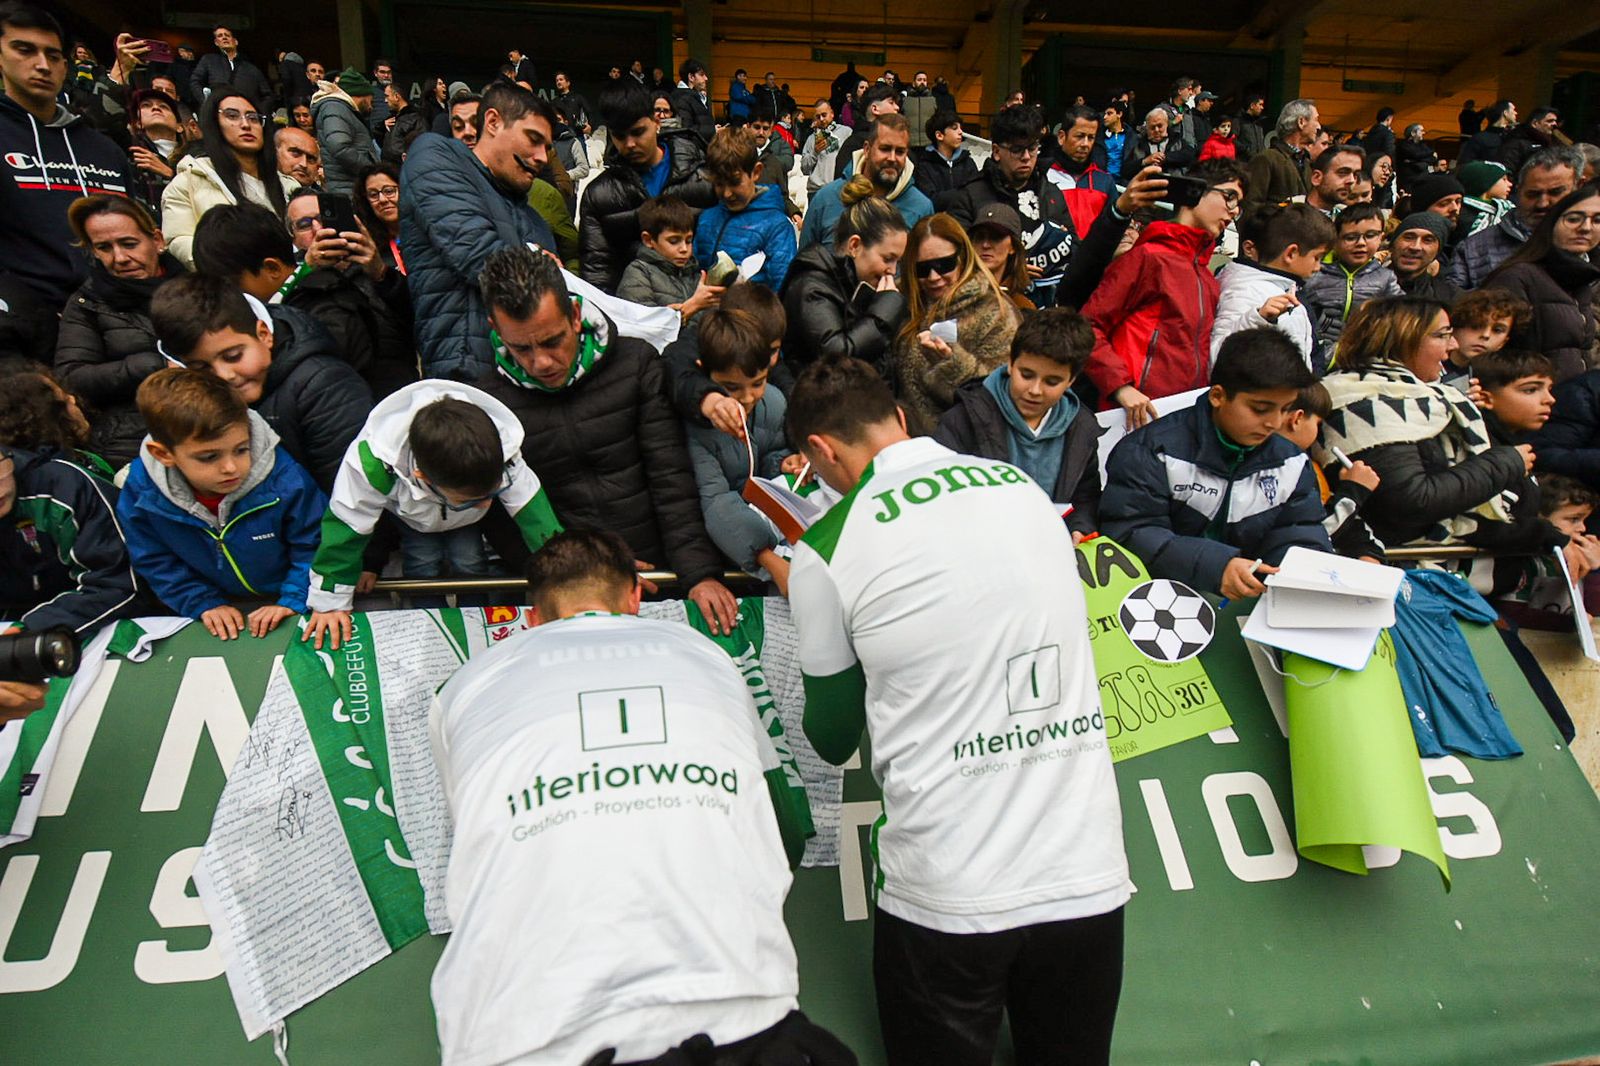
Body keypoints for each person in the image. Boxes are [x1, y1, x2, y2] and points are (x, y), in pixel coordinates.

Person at [786, 356, 1129, 1066]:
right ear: (901, 418)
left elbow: (830, 735)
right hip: (1086, 872)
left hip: (948, 890)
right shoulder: (1024, 489)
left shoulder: (824, 546)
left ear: (821, 450)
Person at [428, 528, 844, 1065]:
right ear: (635, 597)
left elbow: (481, 832)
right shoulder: (708, 657)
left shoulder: (465, 686)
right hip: (737, 1004)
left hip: (523, 1030)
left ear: (531, 619)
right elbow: (783, 816)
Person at [473, 247, 739, 632]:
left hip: (658, 572)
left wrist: (699, 573)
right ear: (497, 332)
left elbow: (670, 476)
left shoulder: (636, 364)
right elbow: (500, 517)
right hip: (564, 591)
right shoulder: (490, 403)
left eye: (552, 341)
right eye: (522, 348)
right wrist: (586, 574)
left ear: (576, 316)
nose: (541, 362)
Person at [301, 382, 562, 647]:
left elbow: (536, 517)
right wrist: (329, 603)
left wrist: (565, 583)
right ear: (422, 476)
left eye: (492, 494)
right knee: (421, 564)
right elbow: (348, 527)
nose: (485, 505)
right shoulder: (372, 463)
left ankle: (477, 622)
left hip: (466, 522)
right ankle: (425, 624)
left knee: (470, 562)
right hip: (413, 518)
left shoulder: (500, 446)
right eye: (473, 499)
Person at [1101, 328, 1330, 597]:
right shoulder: (1151, 450)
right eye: (1259, 409)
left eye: (1284, 409)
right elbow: (1130, 532)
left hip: (1251, 604)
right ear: (1218, 396)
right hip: (1155, 604)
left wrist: (1300, 577)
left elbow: (1300, 532)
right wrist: (1217, 567)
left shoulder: (1291, 462)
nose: (1274, 423)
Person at [1316, 296, 1542, 555]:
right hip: (1405, 563)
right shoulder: (1363, 400)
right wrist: (1504, 463)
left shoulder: (1431, 397)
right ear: (1403, 339)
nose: (1453, 345)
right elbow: (1412, 501)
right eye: (1442, 335)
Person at [118, 367, 323, 639]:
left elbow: (316, 542)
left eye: (241, 449)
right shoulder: (142, 493)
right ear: (163, 454)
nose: (231, 467)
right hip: (216, 607)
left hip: (293, 597)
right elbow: (155, 560)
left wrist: (294, 598)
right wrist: (201, 602)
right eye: (209, 457)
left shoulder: (284, 479)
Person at [149, 272, 370, 491]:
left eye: (233, 356)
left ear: (264, 334)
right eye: (201, 368)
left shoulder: (325, 387)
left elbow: (352, 492)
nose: (224, 375)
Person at [0, 3, 133, 358]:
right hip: (25, 336)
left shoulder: (106, 151)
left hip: (121, 327)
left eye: (53, 55)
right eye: (24, 50)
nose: (42, 65)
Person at [401, 83, 558, 381]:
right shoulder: (434, 154)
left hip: (528, 374)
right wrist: (546, 269)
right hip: (469, 371)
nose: (542, 158)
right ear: (493, 122)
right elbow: (478, 255)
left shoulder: (532, 217)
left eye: (547, 148)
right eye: (534, 139)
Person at [196, 196, 416, 399]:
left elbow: (422, 319)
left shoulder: (372, 275)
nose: (318, 230)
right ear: (291, 237)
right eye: (304, 224)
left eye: (326, 219)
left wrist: (380, 273)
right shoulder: (289, 295)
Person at [1082, 159, 1247, 424]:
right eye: (1229, 197)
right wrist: (1120, 387)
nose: (1233, 211)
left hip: (1183, 415)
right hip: (1130, 414)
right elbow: (1087, 326)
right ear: (1195, 192)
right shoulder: (1148, 257)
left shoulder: (1207, 277)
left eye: (1238, 205)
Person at [932, 305, 1101, 538]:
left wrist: (1079, 527)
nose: (1035, 390)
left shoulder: (1082, 428)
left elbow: (1085, 497)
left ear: (1071, 380)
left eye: (1052, 382)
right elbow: (942, 498)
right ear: (1011, 363)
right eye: (1027, 375)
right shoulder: (964, 419)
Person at [55, 196, 183, 467]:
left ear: (157, 240)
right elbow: (72, 377)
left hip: (208, 423)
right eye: (104, 247)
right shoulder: (86, 304)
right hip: (129, 441)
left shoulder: (196, 289)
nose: (120, 258)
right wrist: (153, 366)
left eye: (129, 243)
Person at [684, 308, 802, 590]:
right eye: (732, 387)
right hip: (723, 549)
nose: (748, 397)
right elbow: (714, 499)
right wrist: (767, 558)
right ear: (705, 373)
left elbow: (771, 452)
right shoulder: (696, 427)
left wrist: (783, 464)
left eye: (758, 383)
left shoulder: (772, 402)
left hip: (769, 532)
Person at [579, 81, 715, 294]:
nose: (630, 144)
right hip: (635, 312)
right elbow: (598, 272)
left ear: (656, 121)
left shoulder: (705, 176)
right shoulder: (598, 195)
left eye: (638, 132)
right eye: (620, 137)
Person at [893, 213, 1020, 434]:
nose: (933, 276)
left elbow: (1003, 392)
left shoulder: (996, 311)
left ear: (963, 258)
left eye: (944, 265)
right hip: (905, 445)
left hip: (965, 447)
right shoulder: (899, 301)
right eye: (923, 269)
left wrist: (951, 362)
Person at [0, 443, 144, 635]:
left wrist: (29, 630)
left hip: (107, 623)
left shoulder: (62, 487)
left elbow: (118, 585)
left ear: (7, 458)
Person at [781, 185, 908, 379]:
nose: (892, 270)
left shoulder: (865, 286)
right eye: (887, 259)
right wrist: (881, 319)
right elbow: (835, 357)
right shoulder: (811, 285)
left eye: (897, 261)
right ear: (855, 246)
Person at [1480, 183, 1600, 383]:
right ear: (1551, 223)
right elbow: (1487, 351)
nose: (1586, 228)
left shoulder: (1581, 280)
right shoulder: (1516, 277)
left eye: (1597, 220)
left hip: (1577, 407)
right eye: (1573, 219)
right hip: (1530, 404)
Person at [161, 86, 293, 266]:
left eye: (253, 118)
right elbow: (179, 242)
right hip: (227, 286)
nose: (246, 124)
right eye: (232, 116)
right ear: (214, 124)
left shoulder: (288, 186)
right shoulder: (189, 181)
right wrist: (242, 271)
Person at [1211, 202, 1334, 368]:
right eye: (1317, 257)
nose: (1318, 267)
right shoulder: (1245, 290)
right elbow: (1217, 358)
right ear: (1291, 253)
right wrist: (1257, 319)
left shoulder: (1288, 288)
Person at [1447, 147, 1581, 291]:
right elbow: (1454, 301)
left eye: (1555, 192)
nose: (1542, 203)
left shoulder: (1591, 243)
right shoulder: (1473, 249)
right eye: (1532, 194)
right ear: (1519, 191)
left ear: (1579, 187)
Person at [798, 114, 932, 252]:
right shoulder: (827, 199)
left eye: (900, 152)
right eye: (885, 149)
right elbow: (802, 267)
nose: (892, 158)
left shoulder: (920, 208)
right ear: (867, 149)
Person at [1303, 202, 1405, 371]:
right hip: (1317, 357)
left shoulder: (1385, 278)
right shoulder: (1315, 274)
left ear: (1381, 237)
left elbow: (1403, 315)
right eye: (1350, 237)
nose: (1361, 243)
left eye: (1370, 235)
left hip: (1366, 360)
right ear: (1335, 239)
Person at [694, 127, 797, 291]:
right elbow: (694, 270)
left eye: (735, 182)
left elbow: (782, 288)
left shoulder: (777, 227)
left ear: (756, 172)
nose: (727, 193)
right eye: (719, 184)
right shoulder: (708, 217)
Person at [618, 194, 722, 317]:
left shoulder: (695, 274)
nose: (684, 249)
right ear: (648, 240)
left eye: (688, 241)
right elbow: (643, 326)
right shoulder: (639, 274)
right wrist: (692, 306)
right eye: (673, 241)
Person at [1047, 104, 1117, 238]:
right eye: (1079, 136)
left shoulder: (1104, 182)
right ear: (1061, 137)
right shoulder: (1043, 177)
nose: (1085, 144)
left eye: (1091, 138)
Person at [311, 67, 378, 197]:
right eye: (371, 100)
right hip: (347, 189)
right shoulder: (334, 108)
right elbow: (340, 147)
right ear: (362, 95)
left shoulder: (339, 109)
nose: (371, 106)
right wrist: (371, 170)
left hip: (349, 186)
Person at [1246, 99, 1318, 208]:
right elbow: (1250, 207)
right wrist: (1285, 207)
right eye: (1316, 120)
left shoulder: (1306, 162)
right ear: (1301, 122)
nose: (1319, 126)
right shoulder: (1266, 159)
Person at [126, 88, 186, 215]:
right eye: (146, 105)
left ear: (179, 127)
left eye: (164, 107)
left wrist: (170, 174)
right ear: (137, 123)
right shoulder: (130, 155)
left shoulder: (197, 157)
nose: (156, 108)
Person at [188, 23, 273, 112]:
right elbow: (195, 81)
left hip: (246, 116)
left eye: (227, 35)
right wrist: (207, 103)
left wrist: (259, 112)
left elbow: (268, 95)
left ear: (235, 41)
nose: (224, 37)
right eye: (220, 36)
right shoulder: (209, 60)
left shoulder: (251, 68)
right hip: (218, 114)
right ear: (216, 42)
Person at [968, 202, 1034, 311]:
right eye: (979, 237)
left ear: (1013, 247)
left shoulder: (1022, 306)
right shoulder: (953, 296)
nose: (985, 245)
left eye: (996, 237)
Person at [1390, 211, 1462, 304]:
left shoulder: (1450, 297)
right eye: (1408, 237)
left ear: (1438, 251)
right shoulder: (1368, 284)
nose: (1415, 247)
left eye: (1428, 240)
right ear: (1393, 244)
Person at [354, 161, 404, 273]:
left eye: (389, 191)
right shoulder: (369, 246)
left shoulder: (425, 231)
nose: (382, 200)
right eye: (373, 195)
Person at [801, 98, 852, 195]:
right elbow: (804, 169)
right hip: (816, 191)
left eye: (824, 115)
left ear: (832, 114)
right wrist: (815, 152)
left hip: (840, 189)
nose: (821, 119)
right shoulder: (811, 139)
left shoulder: (846, 132)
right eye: (818, 116)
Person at [1455, 160, 1515, 241]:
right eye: (1504, 179)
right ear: (1485, 183)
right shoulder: (1461, 214)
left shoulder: (1509, 210)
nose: (1510, 184)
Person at [1130, 107, 1194, 174]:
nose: (1156, 130)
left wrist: (1165, 158)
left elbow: (1189, 156)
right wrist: (1145, 161)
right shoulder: (1138, 144)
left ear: (1166, 124)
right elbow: (1126, 168)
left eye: (1160, 126)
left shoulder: (1177, 140)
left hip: (1174, 181)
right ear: (1147, 128)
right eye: (1152, 127)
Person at [1305, 144, 1364, 215]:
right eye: (1343, 172)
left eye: (1355, 174)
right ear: (1317, 178)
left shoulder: (1348, 218)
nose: (1351, 180)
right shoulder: (1290, 213)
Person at [380, 77, 425, 165]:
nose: (385, 100)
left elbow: (420, 146)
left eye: (387, 96)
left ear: (396, 96)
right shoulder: (392, 118)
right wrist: (382, 127)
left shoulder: (416, 119)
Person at [1458, 100, 1517, 166]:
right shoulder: (1480, 139)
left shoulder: (1514, 137)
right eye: (1513, 110)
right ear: (1505, 113)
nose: (1516, 113)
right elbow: (1465, 164)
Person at [672, 58, 715, 143]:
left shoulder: (694, 96)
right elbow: (686, 130)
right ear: (691, 77)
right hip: (692, 152)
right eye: (702, 75)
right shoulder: (682, 98)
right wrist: (713, 130)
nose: (706, 78)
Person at [1096, 100, 1131, 183]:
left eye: (1109, 113)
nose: (1105, 117)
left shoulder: (1130, 137)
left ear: (1119, 114)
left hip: (1123, 183)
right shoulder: (1100, 137)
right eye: (1105, 114)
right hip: (1102, 182)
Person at [1233, 94, 1268, 161]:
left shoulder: (1259, 123)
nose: (1262, 108)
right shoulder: (1239, 121)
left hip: (1258, 163)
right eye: (1260, 104)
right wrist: (1246, 150)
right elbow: (1233, 140)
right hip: (1244, 163)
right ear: (1252, 106)